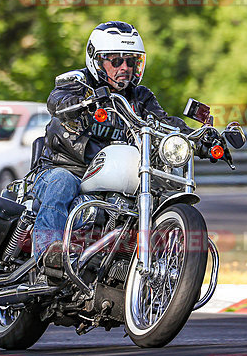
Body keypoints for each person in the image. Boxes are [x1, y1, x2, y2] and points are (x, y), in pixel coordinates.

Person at [29, 21, 193, 274]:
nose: (124, 68)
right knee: (62, 182)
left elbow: (164, 121)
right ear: (96, 60)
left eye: (131, 61)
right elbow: (57, 100)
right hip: (65, 168)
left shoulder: (141, 97)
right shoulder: (78, 82)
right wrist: (83, 103)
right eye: (115, 61)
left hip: (108, 178)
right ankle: (48, 256)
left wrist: (199, 138)